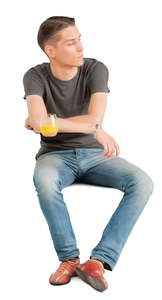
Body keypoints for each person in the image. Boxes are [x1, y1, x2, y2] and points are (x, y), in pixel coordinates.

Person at [23, 16, 154, 292]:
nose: (81, 47)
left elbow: (89, 120)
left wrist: (53, 121)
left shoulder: (96, 69)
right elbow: (40, 126)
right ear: (51, 51)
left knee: (142, 182)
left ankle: (99, 260)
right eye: (72, 43)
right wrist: (81, 125)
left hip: (95, 154)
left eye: (80, 39)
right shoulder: (34, 75)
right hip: (54, 156)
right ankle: (69, 258)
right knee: (45, 182)